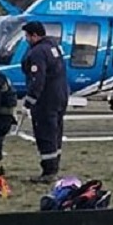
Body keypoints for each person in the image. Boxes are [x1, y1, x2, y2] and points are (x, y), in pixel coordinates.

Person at [20, 21, 69, 182]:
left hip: (46, 100)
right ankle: (53, 167)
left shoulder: (38, 52)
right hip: (60, 95)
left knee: (45, 134)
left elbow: (37, 79)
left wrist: (29, 102)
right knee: (55, 133)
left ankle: (48, 171)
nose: (26, 39)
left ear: (34, 35)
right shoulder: (53, 45)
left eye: (27, 36)